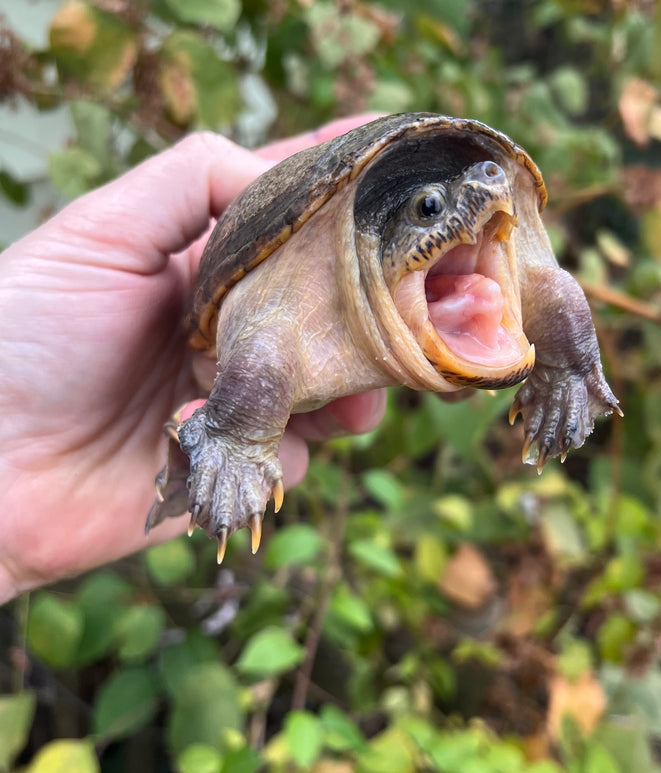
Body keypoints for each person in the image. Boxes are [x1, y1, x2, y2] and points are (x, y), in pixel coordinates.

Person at [0, 116, 387, 604]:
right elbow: (266, 345)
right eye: (432, 207)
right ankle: (224, 436)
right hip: (245, 312)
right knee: (270, 377)